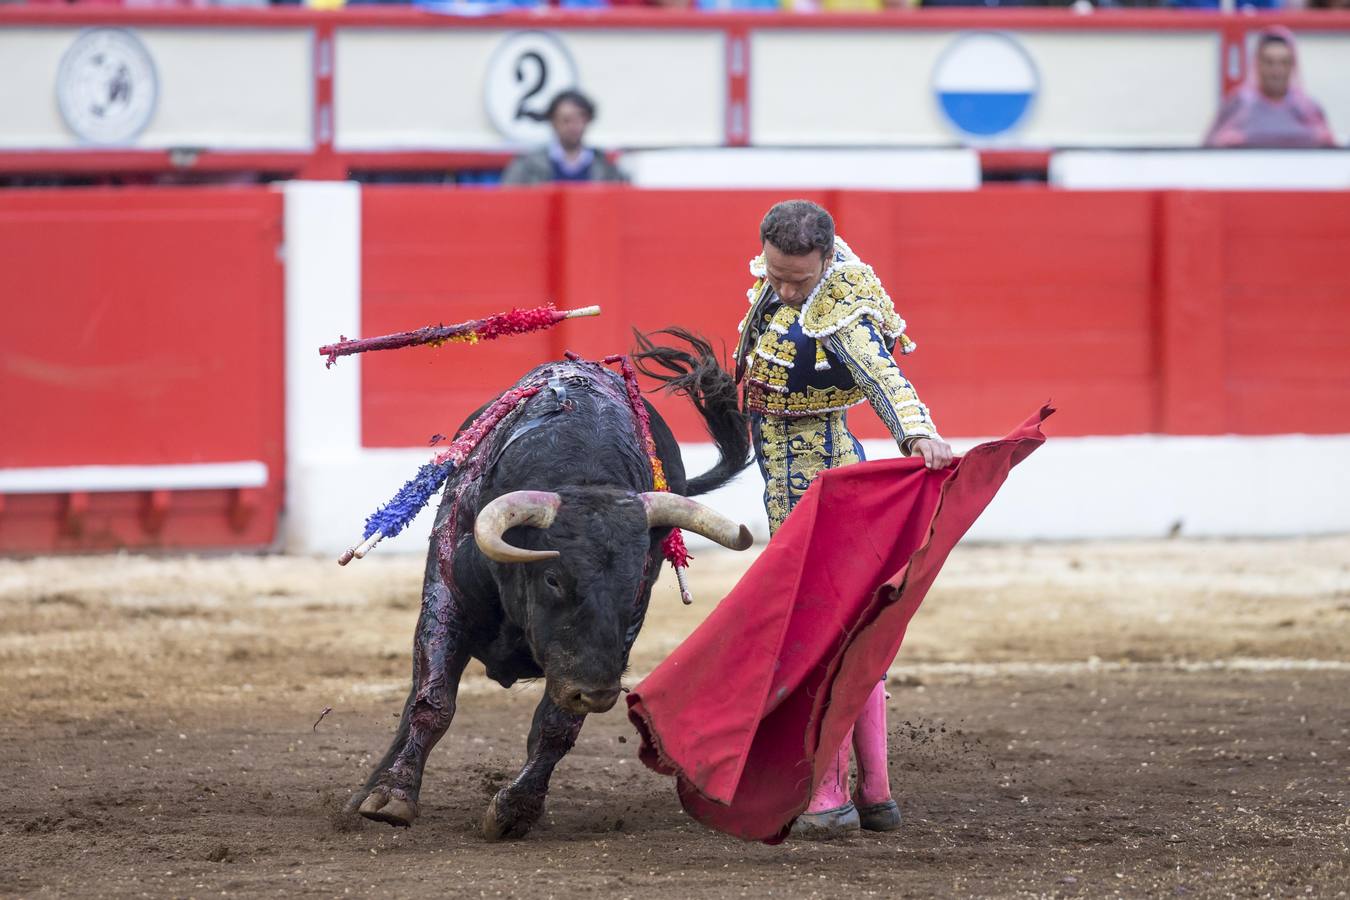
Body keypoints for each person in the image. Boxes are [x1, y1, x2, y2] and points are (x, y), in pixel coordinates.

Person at [733, 199, 954, 838]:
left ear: (826, 262)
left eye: (797, 279)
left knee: (821, 635)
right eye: (775, 274)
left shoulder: (841, 307)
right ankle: (877, 792)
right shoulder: (783, 283)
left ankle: (830, 797)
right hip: (791, 484)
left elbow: (884, 377)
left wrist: (919, 437)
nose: (783, 288)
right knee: (846, 631)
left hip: (822, 486)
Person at [1204, 27, 1337, 149]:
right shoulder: (1240, 104)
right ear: (1257, 64)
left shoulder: (1308, 109)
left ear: (1292, 66)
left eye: (1284, 62)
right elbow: (1209, 152)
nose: (1276, 71)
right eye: (1269, 62)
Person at [500, 90, 625, 185]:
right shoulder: (527, 166)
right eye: (566, 120)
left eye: (580, 119)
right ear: (553, 122)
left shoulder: (606, 167)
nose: (573, 126)